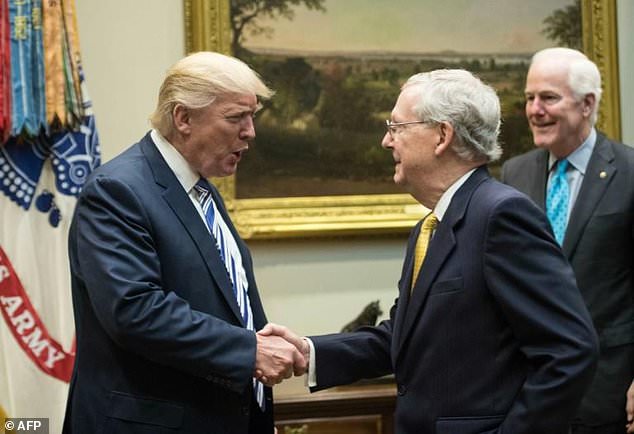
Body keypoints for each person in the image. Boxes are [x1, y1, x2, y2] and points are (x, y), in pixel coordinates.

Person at [261, 69, 599, 434]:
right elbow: (403, 336)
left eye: (397, 127)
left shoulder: (501, 215)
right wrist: (310, 353)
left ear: (442, 135)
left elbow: (570, 352)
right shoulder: (431, 225)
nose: (386, 141)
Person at [62, 51, 306, 434]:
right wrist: (250, 351)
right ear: (183, 118)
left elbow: (224, 303)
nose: (250, 132)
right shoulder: (117, 191)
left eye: (252, 116)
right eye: (235, 118)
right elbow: (135, 309)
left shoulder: (201, 190)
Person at [501, 47, 634, 434]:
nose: (534, 110)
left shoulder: (629, 173)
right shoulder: (515, 174)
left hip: (606, 392)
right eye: (529, 98)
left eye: (548, 98)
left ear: (588, 104)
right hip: (527, 394)